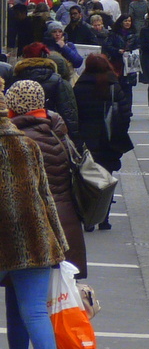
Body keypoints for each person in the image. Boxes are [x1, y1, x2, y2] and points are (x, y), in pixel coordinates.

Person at [0, 78, 69, 349]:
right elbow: (45, 196)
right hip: (33, 237)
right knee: (34, 309)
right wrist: (59, 243)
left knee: (23, 308)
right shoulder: (27, 145)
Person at [6, 79, 87, 277]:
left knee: (28, 296)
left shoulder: (19, 139)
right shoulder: (56, 129)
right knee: (57, 293)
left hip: (35, 225)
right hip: (66, 218)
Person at [73, 54, 133, 231]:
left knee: (87, 178)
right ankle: (104, 218)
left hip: (86, 138)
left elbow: (73, 113)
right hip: (109, 138)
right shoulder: (113, 85)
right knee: (107, 177)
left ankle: (89, 217)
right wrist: (120, 131)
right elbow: (125, 113)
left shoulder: (79, 86)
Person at [9, 43, 81, 146]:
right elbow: (68, 112)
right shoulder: (58, 81)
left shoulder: (15, 79)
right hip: (51, 136)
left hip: (17, 136)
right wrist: (72, 141)